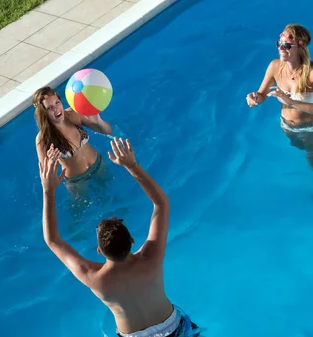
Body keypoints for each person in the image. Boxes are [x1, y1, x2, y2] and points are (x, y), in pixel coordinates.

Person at [38, 137, 201, 337]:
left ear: (99, 251)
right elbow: (161, 203)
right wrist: (132, 165)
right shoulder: (151, 259)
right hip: (175, 329)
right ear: (132, 241)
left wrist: (48, 190)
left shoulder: (94, 278)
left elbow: (52, 239)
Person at [246, 23, 313, 199]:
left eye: (286, 46)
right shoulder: (275, 66)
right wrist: (254, 98)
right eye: (279, 44)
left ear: (300, 47)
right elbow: (262, 94)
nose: (280, 49)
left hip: (312, 129)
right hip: (287, 126)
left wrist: (291, 102)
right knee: (296, 147)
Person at [33, 86, 113, 197]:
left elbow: (108, 131)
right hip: (77, 180)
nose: (56, 109)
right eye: (50, 108)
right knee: (79, 210)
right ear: (43, 113)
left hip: (98, 164)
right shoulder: (43, 139)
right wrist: (51, 162)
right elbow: (46, 178)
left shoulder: (73, 115)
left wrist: (98, 122)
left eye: (57, 103)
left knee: (113, 194)